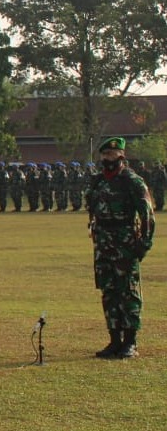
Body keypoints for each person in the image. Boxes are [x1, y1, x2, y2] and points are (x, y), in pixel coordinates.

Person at [89, 137, 154, 359]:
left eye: (112, 155)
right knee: (109, 291)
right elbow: (93, 209)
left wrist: (144, 244)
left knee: (128, 291)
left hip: (125, 242)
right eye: (105, 155)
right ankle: (114, 340)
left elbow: (147, 214)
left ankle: (130, 342)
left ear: (121, 156)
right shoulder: (98, 182)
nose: (108, 159)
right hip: (103, 243)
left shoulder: (132, 181)